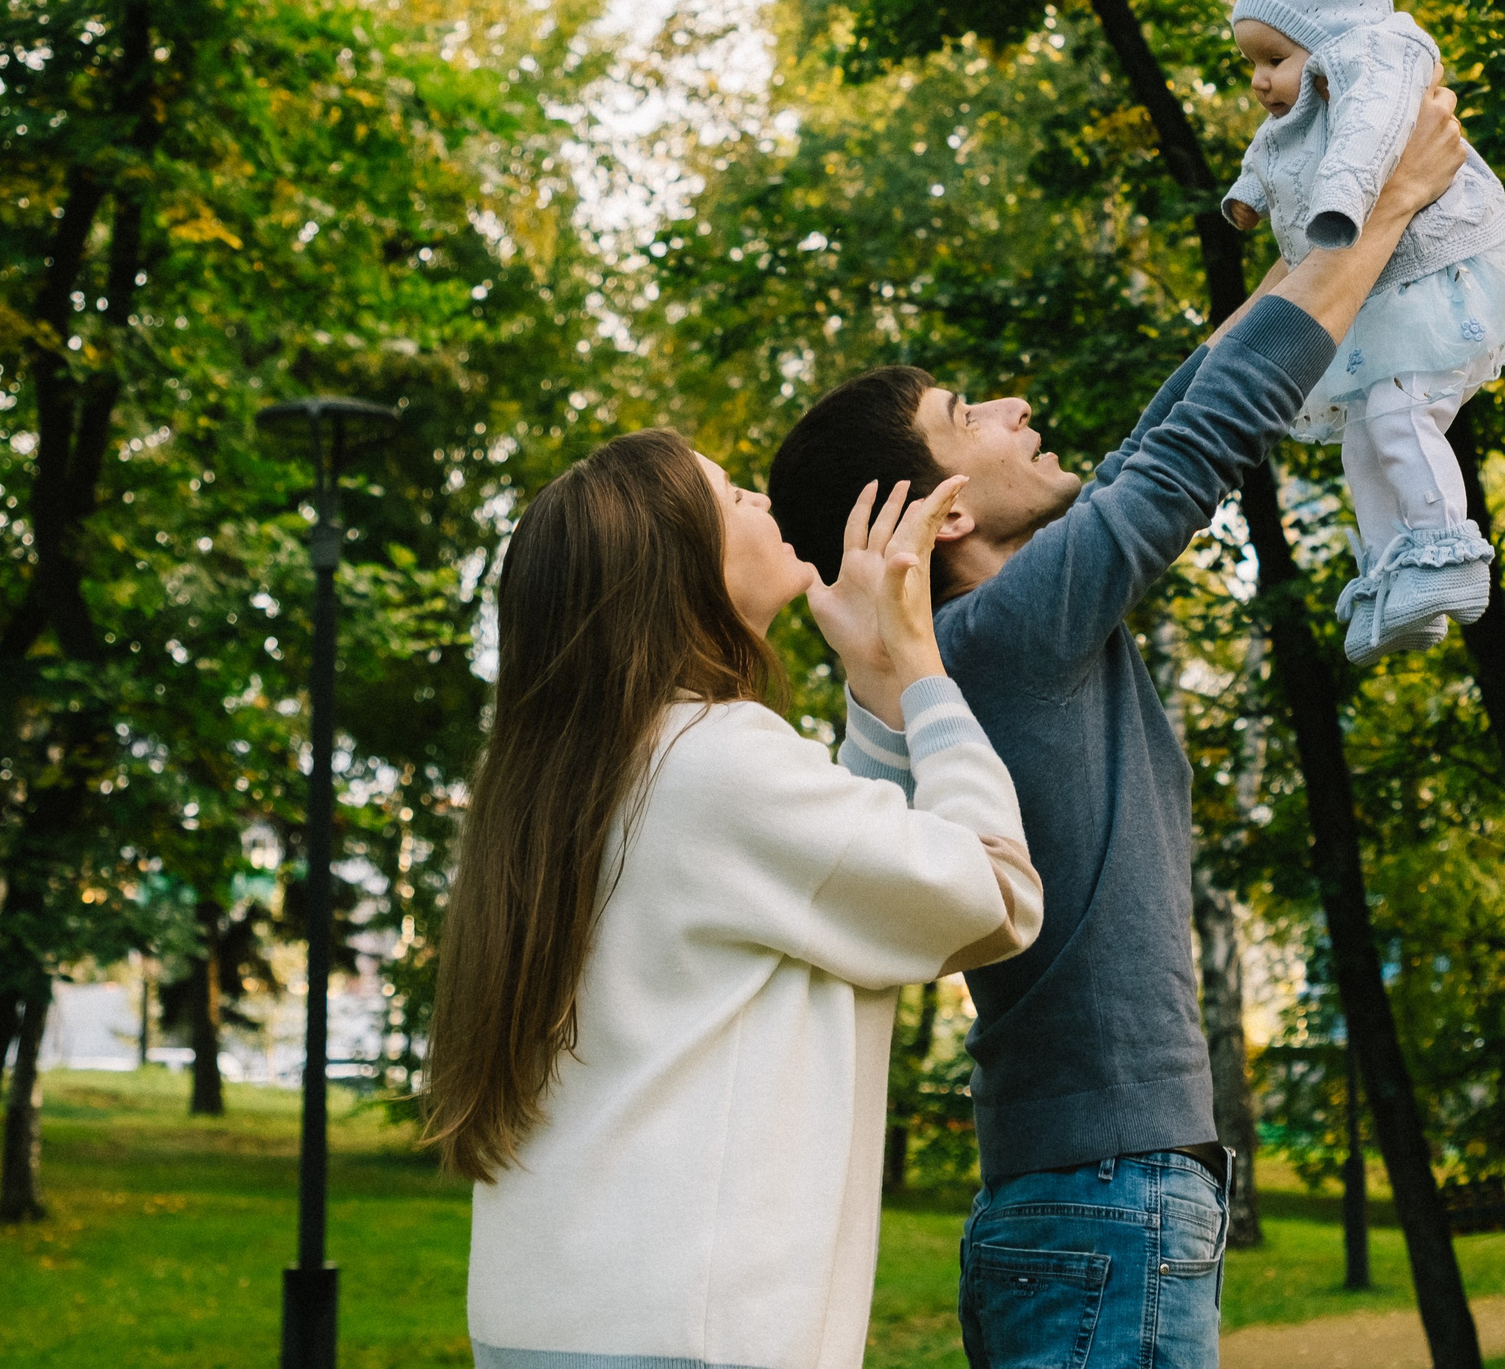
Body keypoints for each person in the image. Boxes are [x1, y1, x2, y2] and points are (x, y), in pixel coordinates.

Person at [764, 88, 1470, 1369]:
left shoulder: (994, 641)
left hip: (1085, 1196)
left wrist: (1328, 219)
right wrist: (1392, 207)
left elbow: (1177, 408)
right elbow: (1200, 436)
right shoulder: (1000, 636)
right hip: (1107, 1197)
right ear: (946, 520)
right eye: (965, 417)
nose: (1013, 411)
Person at [423, 428, 1042, 1369]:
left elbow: (832, 891)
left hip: (551, 1320)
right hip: (694, 1336)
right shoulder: (717, 758)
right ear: (676, 570)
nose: (760, 499)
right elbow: (992, 892)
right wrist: (921, 670)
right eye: (730, 496)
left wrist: (871, 683)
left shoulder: (581, 777)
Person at [1225, 0, 1505, 663]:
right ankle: (1393, 573)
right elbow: (1268, 157)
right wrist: (1246, 200)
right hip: (1383, 300)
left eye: (1275, 60)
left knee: (1400, 413)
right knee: (1363, 436)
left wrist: (1341, 200)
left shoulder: (1376, 63)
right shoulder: (1298, 112)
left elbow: (1367, 137)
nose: (1260, 81)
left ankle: (1450, 556)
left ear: (1329, 45)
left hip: (1437, 275)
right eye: (1251, 63)